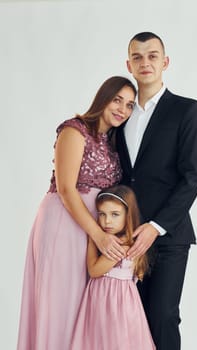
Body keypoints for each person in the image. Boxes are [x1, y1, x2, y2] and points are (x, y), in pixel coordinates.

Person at [17, 76, 136, 350]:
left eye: (129, 105)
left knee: (86, 310)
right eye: (117, 100)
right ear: (103, 97)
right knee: (61, 306)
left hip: (94, 229)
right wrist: (98, 235)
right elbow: (66, 188)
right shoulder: (74, 130)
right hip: (65, 222)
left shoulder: (113, 142)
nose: (122, 109)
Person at [116, 32, 197, 350]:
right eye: (137, 57)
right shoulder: (120, 115)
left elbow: (192, 177)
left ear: (165, 62)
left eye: (152, 55)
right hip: (125, 238)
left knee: (163, 317)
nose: (145, 62)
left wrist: (155, 227)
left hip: (168, 237)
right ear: (129, 65)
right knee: (129, 319)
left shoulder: (186, 110)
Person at [71, 185, 156, 350]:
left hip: (111, 302)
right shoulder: (129, 243)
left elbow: (94, 270)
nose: (107, 221)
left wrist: (92, 239)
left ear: (128, 216)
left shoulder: (120, 248)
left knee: (109, 340)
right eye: (102, 214)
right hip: (120, 301)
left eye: (115, 215)